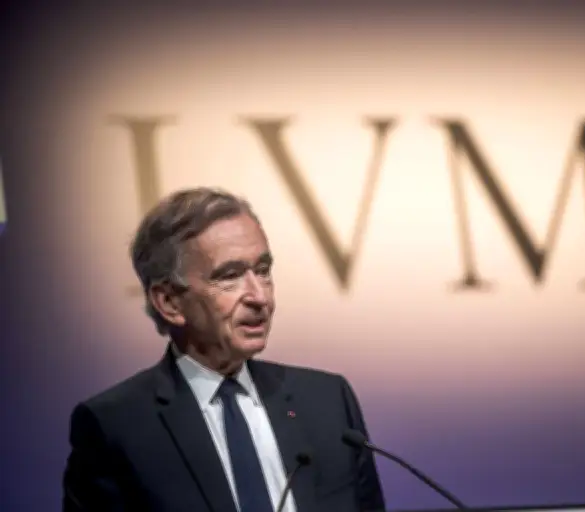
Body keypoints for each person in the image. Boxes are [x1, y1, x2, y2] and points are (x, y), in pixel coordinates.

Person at [62, 187, 386, 512]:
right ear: (169, 302)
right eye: (230, 276)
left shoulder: (328, 401)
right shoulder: (116, 425)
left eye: (263, 271)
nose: (260, 297)